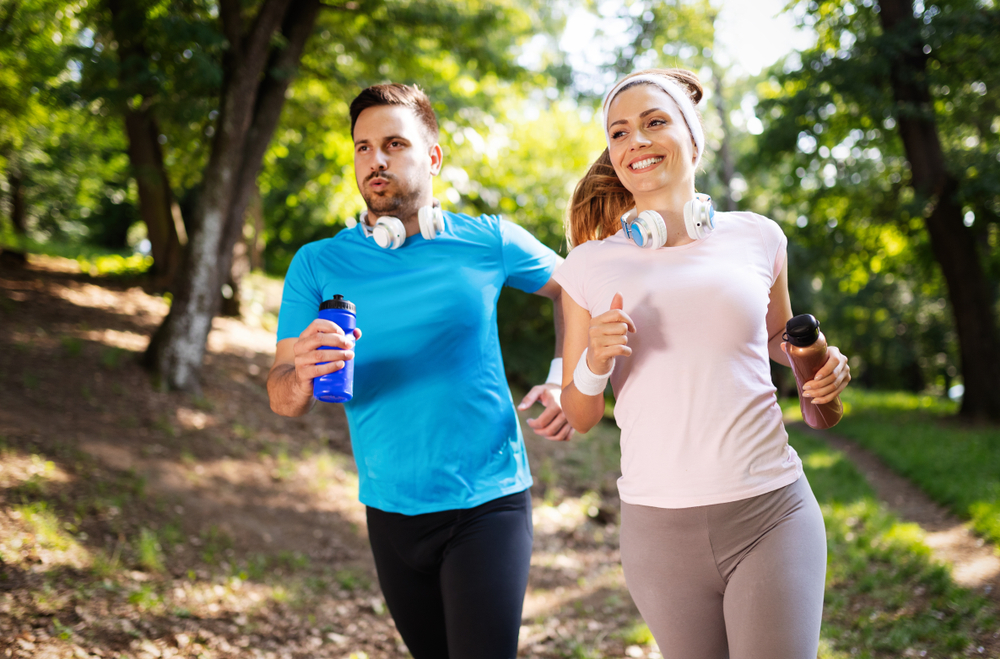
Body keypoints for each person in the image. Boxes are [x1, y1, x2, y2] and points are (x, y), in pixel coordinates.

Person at [553, 68, 852, 659]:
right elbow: (579, 413)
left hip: (771, 509)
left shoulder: (759, 236)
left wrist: (819, 362)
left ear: (693, 139)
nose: (635, 140)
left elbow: (775, 337)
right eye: (619, 132)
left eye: (654, 122)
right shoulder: (587, 265)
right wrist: (593, 360)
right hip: (657, 533)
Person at [266, 83, 571, 659]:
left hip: (488, 501)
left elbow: (576, 289)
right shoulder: (317, 264)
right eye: (362, 147)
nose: (374, 160)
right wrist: (301, 371)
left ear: (432, 157)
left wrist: (562, 376)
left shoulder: (488, 241)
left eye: (393, 143)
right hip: (389, 510)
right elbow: (284, 397)